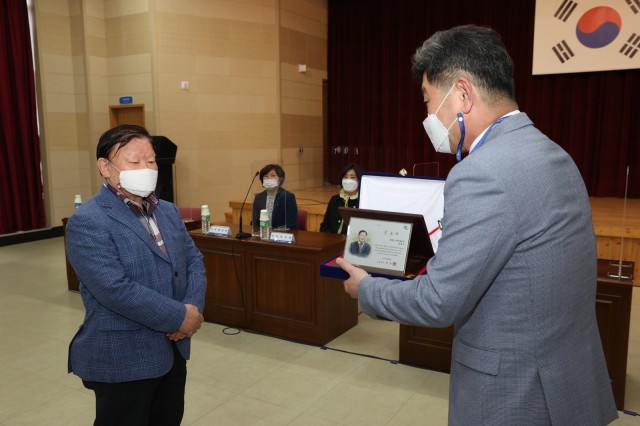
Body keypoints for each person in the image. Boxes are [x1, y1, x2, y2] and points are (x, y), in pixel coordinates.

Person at [336, 25, 617, 425]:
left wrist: (366, 290)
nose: (428, 117)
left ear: (463, 94)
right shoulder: (555, 153)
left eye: (429, 102)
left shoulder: (481, 172)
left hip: (515, 397)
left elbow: (438, 301)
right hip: (567, 386)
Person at [65, 124, 207, 426]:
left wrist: (192, 309)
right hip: (123, 357)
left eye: (151, 160)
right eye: (135, 161)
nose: (147, 168)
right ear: (105, 167)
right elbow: (115, 289)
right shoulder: (88, 221)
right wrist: (178, 317)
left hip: (173, 350)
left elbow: (193, 261)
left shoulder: (167, 211)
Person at [319, 162, 363, 234]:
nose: (348, 180)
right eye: (345, 177)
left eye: (352, 177)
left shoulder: (362, 202)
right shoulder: (335, 200)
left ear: (359, 180)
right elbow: (324, 226)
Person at [251, 164, 298, 230]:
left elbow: (291, 225)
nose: (269, 179)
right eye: (266, 176)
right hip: (263, 235)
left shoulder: (288, 197)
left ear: (280, 179)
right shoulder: (259, 197)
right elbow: (255, 223)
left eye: (273, 175)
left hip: (281, 236)